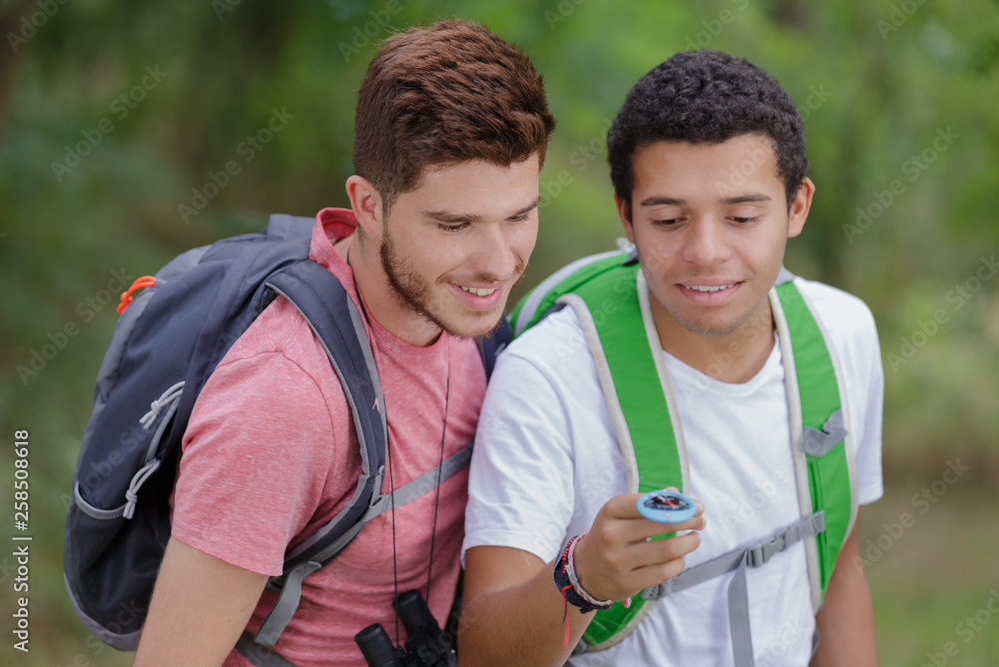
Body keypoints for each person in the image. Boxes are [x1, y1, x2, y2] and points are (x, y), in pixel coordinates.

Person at [134, 19, 554, 667]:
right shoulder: (285, 399)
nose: (498, 263)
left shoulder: (471, 324)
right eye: (455, 223)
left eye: (520, 215)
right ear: (369, 205)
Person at [459, 50, 882, 666]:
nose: (706, 252)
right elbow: (484, 655)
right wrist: (583, 580)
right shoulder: (547, 377)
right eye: (668, 218)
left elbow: (837, 565)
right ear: (626, 217)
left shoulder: (842, 334)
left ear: (796, 207)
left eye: (741, 216)